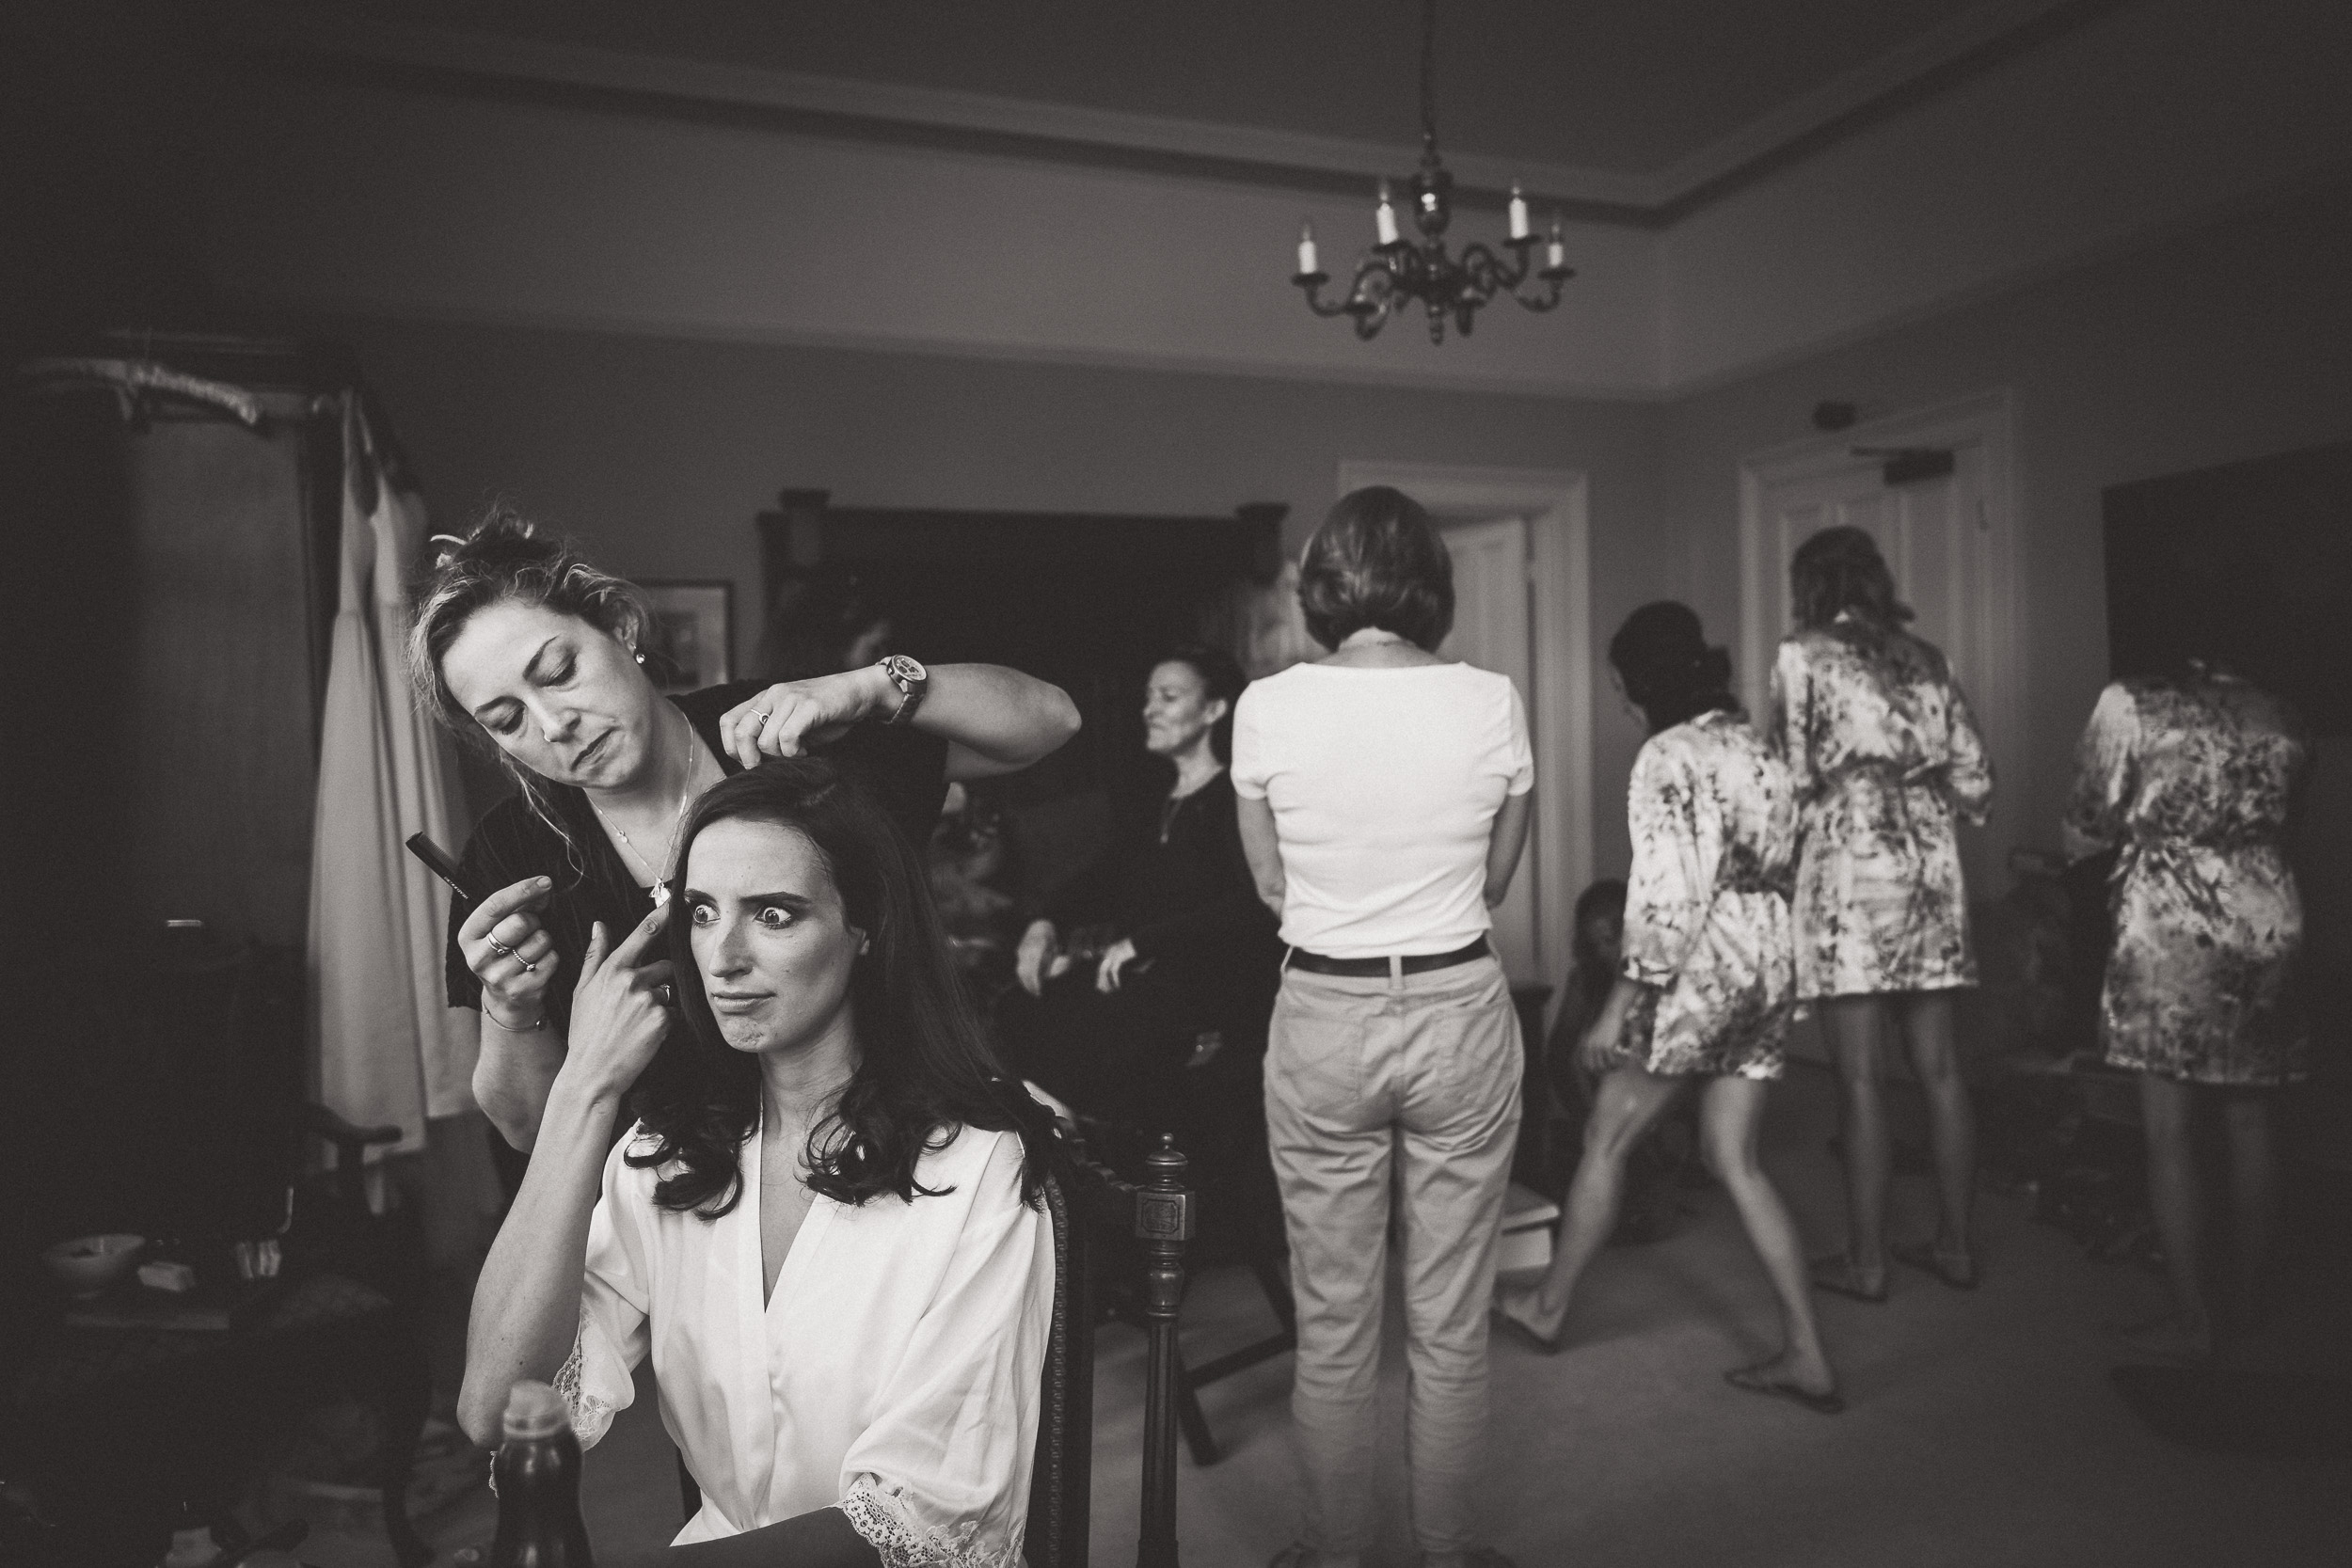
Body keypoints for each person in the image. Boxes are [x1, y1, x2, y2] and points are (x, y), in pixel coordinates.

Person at [457, 759, 1059, 1559]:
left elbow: (914, 1528)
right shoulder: (666, 1156)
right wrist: (582, 1090)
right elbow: (497, 1410)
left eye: (773, 913)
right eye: (702, 912)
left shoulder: (982, 1167)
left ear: (865, 924)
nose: (722, 957)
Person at [409, 507, 1080, 1161]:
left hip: (882, 1153)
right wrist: (510, 1003)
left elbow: (1051, 722)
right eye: (507, 718)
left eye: (559, 673)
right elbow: (526, 1129)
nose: (553, 724)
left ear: (617, 626)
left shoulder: (786, 735)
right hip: (668, 1215)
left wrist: (872, 687)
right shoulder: (511, 857)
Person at [1233, 487, 1531, 1568]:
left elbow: (1269, 880)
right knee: (1451, 1324)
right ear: (1428, 583)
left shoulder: (1266, 705)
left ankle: (1334, 1554)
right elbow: (1496, 876)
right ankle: (1448, 1556)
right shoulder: (1492, 699)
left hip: (1323, 1009)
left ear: (1324, 587)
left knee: (1335, 1323)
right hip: (1458, 1004)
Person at [1494, 604, 1840, 1413]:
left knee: (1607, 1130)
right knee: (1736, 1157)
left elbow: (1668, 896)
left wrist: (1621, 1001)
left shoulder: (1668, 755)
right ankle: (1808, 1352)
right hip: (1767, 960)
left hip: (1703, 965)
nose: (1621, 702)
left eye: (1622, 686)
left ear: (1644, 682)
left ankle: (1545, 1309)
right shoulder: (1762, 747)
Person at [2065, 648, 2306, 1360]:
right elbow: (2290, 816)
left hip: (2169, 920)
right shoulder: (2283, 713)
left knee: (2167, 1132)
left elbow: (2087, 814)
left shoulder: (2132, 703)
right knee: (2251, 1120)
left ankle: (2194, 1319)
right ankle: (2250, 1303)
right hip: (2270, 916)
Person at [1772, 527, 1993, 1302]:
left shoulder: (1803, 654)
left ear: (1811, 586)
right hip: (1930, 868)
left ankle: (1868, 1262)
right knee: (1940, 1071)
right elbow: (1978, 782)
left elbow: (1791, 778)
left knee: (1860, 1079)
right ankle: (1958, 1248)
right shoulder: (1929, 660)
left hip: (1847, 872)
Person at [1001, 645, 1280, 1129]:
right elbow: (1103, 878)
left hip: (1206, 982)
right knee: (1015, 1007)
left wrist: (1143, 942)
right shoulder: (1152, 800)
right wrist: (1045, 923)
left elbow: (1252, 904)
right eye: (1149, 696)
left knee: (1088, 1034)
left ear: (1214, 710)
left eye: (1168, 697)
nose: (1149, 709)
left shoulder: (1237, 799)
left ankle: (1059, 1159)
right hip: (1141, 974)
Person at [1537, 879, 1694, 1239]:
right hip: (1599, 1099)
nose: (1607, 953)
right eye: (1596, 945)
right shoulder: (1586, 978)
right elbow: (1559, 1052)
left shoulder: (1663, 974)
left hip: (1658, 1094)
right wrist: (1584, 1112)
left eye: (1613, 940)